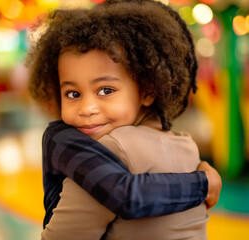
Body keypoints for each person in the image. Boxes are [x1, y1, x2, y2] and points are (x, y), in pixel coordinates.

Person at [26, 0, 222, 238]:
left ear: (148, 90)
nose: (87, 108)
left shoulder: (106, 150)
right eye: (73, 94)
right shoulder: (186, 145)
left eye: (106, 90)